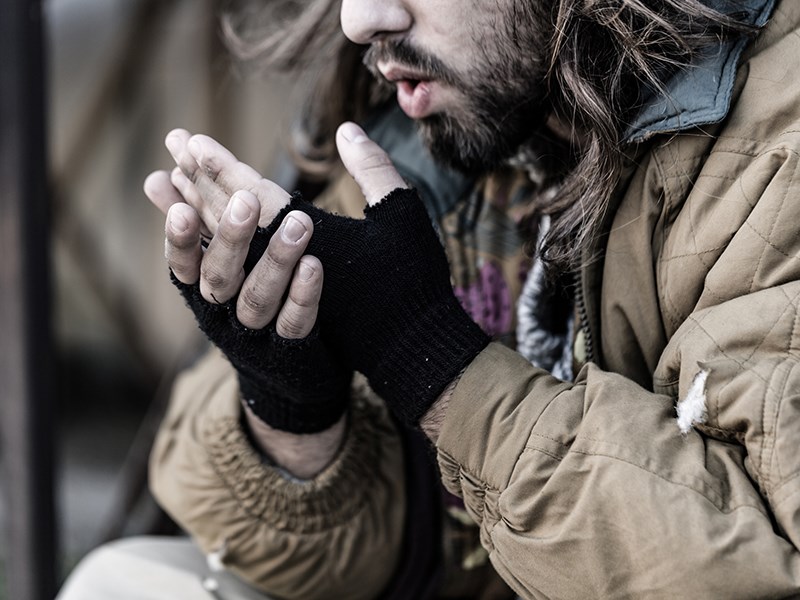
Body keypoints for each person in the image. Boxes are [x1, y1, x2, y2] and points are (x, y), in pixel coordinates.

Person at [59, 0, 800, 598]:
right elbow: (370, 558)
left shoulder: (777, 143)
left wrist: (436, 365)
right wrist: (295, 413)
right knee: (126, 584)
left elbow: (761, 571)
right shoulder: (439, 115)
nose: (358, 19)